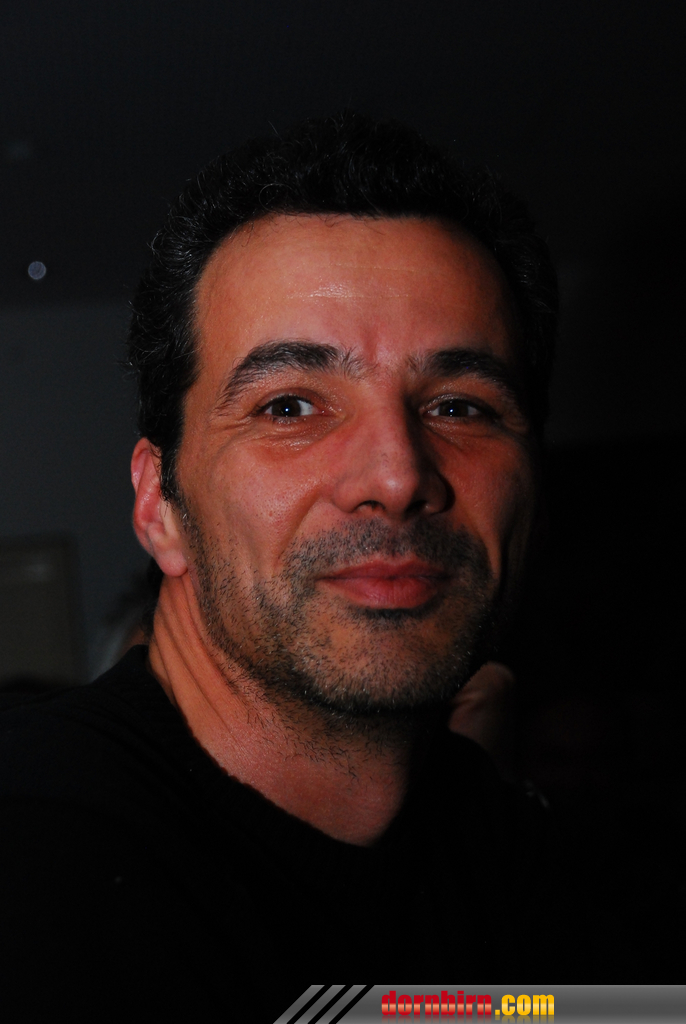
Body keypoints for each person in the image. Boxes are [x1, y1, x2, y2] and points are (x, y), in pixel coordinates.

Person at [0, 112, 563, 1021]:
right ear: (158, 505)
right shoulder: (36, 857)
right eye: (290, 406)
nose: (396, 478)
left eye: (460, 406)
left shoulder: (533, 866)